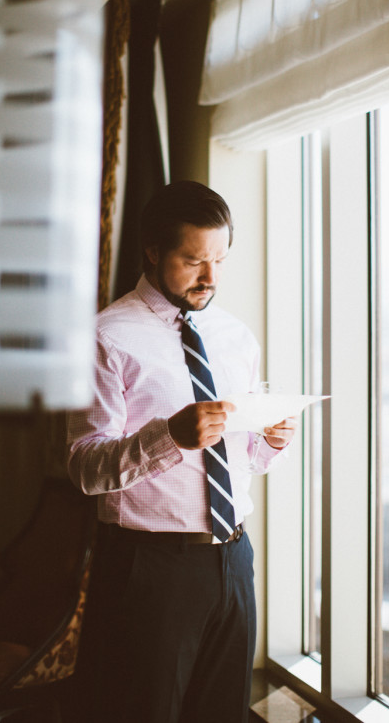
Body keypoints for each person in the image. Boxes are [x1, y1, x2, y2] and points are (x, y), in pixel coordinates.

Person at [67, 180, 295, 723]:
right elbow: (83, 467)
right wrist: (169, 437)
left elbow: (241, 458)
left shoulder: (236, 337)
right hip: (149, 568)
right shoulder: (104, 338)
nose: (211, 278)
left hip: (234, 557)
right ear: (153, 251)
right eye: (194, 261)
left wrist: (269, 441)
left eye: (219, 259)